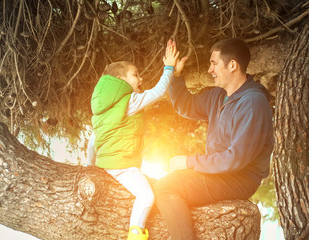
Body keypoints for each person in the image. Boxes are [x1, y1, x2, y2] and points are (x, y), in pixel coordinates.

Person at [153, 38, 274, 240]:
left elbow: (235, 159)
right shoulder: (218, 96)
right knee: (157, 185)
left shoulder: (253, 102)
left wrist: (189, 162)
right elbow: (186, 105)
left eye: (214, 63)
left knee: (166, 187)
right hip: (218, 173)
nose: (210, 69)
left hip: (239, 179)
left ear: (232, 65)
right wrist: (175, 75)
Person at [91, 41, 179, 240]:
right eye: (135, 75)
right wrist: (169, 67)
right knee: (147, 196)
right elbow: (158, 92)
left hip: (106, 166)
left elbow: (93, 141)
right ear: (119, 80)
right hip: (123, 167)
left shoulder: (101, 112)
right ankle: (135, 234)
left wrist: (92, 166)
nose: (141, 78)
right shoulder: (129, 101)